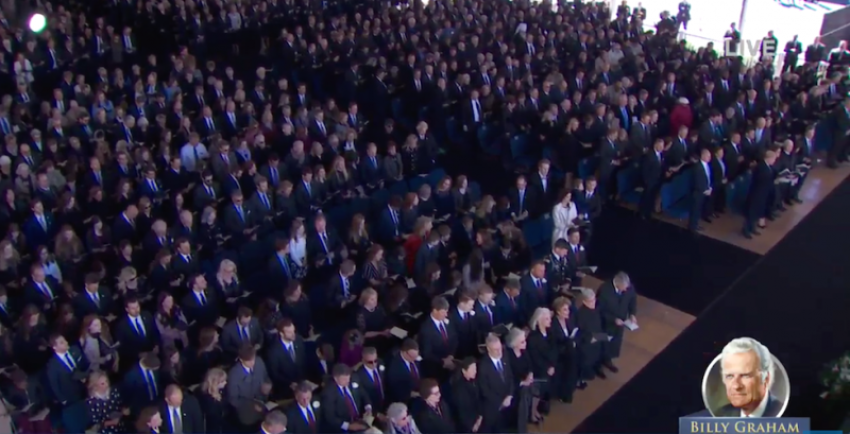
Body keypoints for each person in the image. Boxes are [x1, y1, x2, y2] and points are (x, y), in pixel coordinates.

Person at [712, 338, 784, 417]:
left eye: (745, 376)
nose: (736, 386)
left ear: (766, 378)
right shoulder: (720, 415)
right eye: (730, 376)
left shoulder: (790, 419)